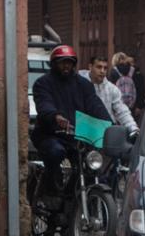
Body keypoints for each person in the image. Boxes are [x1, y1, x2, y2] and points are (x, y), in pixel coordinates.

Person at [31, 45, 112, 194]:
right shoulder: (43, 83)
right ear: (54, 64)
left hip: (77, 136)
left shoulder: (84, 85)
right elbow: (44, 104)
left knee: (92, 169)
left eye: (69, 61)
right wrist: (56, 116)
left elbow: (95, 105)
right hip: (50, 134)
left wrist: (110, 126)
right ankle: (52, 189)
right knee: (55, 152)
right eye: (62, 62)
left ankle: (83, 198)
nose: (66, 65)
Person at [85, 55, 139, 133]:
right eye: (99, 67)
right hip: (85, 131)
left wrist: (132, 126)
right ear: (90, 66)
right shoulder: (81, 85)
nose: (102, 71)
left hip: (106, 132)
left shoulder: (112, 89)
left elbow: (121, 110)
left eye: (105, 68)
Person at [108, 52, 145, 123]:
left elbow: (110, 88)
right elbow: (140, 89)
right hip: (132, 106)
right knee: (131, 125)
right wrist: (139, 106)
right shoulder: (133, 70)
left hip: (118, 105)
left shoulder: (114, 71)